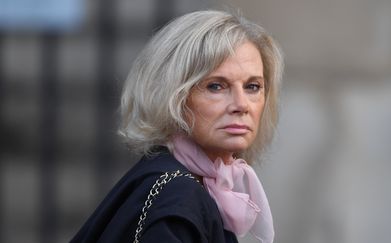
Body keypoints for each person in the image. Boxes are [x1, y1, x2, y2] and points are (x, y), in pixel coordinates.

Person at [71, 9, 283, 243]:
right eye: (216, 86)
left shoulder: (178, 182)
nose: (242, 105)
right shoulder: (177, 195)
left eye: (252, 86)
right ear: (174, 96)